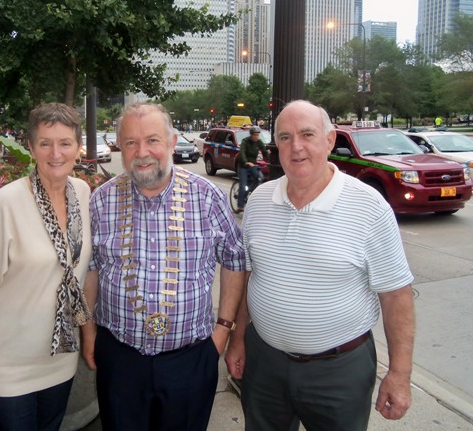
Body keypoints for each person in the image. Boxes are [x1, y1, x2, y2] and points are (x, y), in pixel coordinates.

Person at [225, 100, 416, 431]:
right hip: (265, 362)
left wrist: (400, 374)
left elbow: (396, 296)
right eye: (285, 137)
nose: (296, 147)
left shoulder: (369, 207)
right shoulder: (258, 201)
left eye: (307, 134)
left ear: (329, 141)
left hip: (339, 371)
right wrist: (238, 338)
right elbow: (251, 277)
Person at [81, 103, 247, 431]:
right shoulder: (100, 200)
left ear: (172, 142)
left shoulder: (207, 197)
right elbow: (90, 268)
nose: (142, 152)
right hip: (120, 358)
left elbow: (235, 260)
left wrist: (222, 330)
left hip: (191, 357)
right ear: (120, 147)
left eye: (153, 140)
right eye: (130, 142)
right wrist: (88, 332)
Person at [0, 103, 92, 431]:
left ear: (78, 147)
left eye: (65, 143)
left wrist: (88, 334)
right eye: (45, 143)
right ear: (31, 148)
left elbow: (82, 274)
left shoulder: (83, 193)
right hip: (10, 365)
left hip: (60, 358)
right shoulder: (6, 204)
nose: (56, 153)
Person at [236, 125, 267, 211]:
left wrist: (269, 160)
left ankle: (251, 192)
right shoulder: (245, 141)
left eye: (257, 135)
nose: (256, 137)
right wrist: (246, 162)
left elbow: (264, 151)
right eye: (255, 135)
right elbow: (242, 152)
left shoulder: (259, 142)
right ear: (251, 135)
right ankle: (240, 206)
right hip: (243, 166)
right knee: (243, 186)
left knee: (260, 177)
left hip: (253, 165)